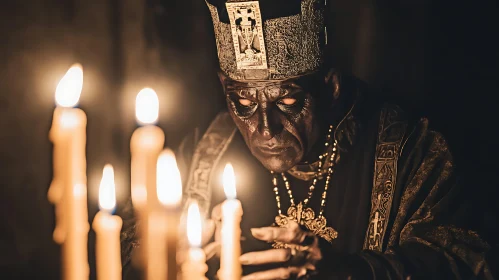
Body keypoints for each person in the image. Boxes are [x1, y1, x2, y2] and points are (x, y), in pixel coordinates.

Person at [121, 0, 496, 279]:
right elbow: (121, 242)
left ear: (331, 88)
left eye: (287, 101)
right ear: (224, 88)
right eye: (244, 102)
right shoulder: (205, 151)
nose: (265, 129)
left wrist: (350, 273)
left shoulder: (413, 151)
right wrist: (161, 253)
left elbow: (469, 262)